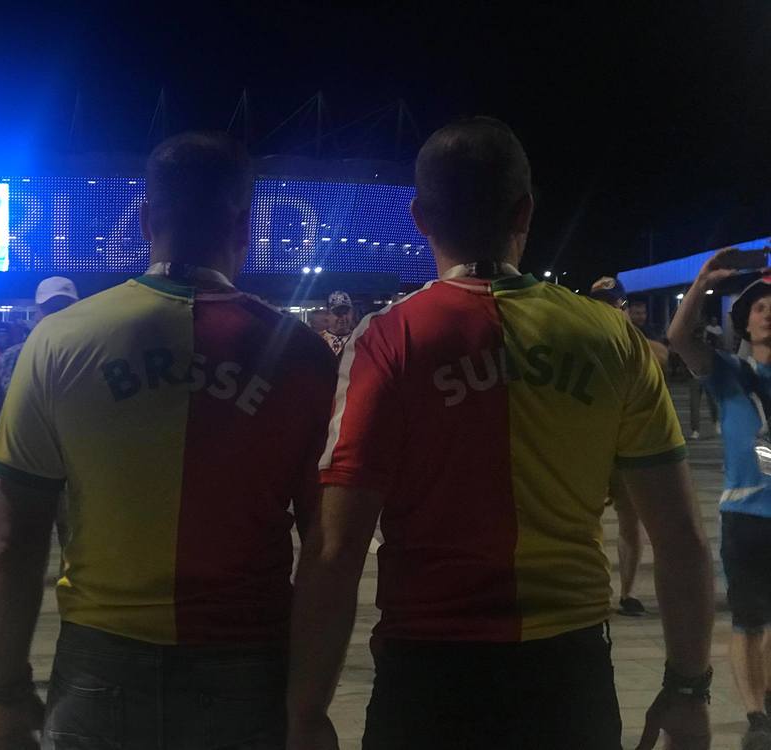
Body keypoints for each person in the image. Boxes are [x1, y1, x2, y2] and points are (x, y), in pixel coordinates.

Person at [287, 117, 714, 750]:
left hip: (428, 674)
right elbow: (681, 538)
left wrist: (306, 711)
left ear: (420, 218)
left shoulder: (389, 339)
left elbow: (336, 548)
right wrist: (687, 688)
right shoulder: (611, 338)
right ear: (525, 212)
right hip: (568, 675)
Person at [0, 132, 337, 750]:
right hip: (247, 660)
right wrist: (308, 710)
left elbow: (13, 538)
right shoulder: (301, 355)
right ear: (244, 226)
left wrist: (7, 693)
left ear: (147, 220)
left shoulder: (58, 341)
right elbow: (326, 550)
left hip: (101, 659)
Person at [668, 250, 771, 749]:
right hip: (747, 516)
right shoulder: (730, 374)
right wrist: (703, 281)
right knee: (749, 620)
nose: (768, 313)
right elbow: (679, 338)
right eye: (759, 308)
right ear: (745, 323)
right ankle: (756, 716)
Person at [0, 276, 79, 544]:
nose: (57, 315)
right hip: (23, 472)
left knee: (76, 547)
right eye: (51, 309)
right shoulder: (11, 359)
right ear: (38, 313)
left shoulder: (90, 356)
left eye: (64, 308)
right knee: (17, 547)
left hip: (77, 476)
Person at [588, 276, 665, 617]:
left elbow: (663, 357)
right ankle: (590, 589)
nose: (609, 311)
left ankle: (628, 593)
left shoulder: (638, 342)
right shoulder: (579, 339)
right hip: (588, 445)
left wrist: (627, 334)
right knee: (580, 520)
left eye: (614, 305)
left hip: (627, 447)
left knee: (630, 520)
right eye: (601, 305)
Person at [320, 291, 355, 356]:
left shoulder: (358, 339)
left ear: (352, 313)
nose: (343, 317)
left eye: (346, 312)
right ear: (327, 315)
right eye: (338, 313)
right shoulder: (318, 340)